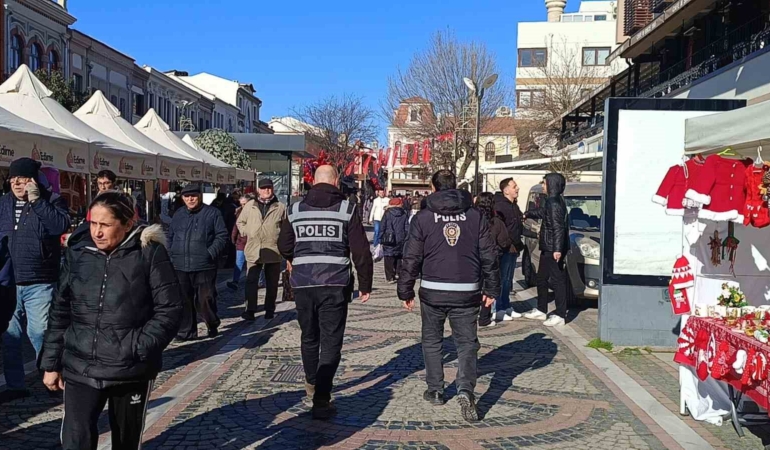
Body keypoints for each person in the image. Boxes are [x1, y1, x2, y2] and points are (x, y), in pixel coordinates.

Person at [39, 191, 182, 450]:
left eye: (105, 225)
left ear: (127, 224)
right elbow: (61, 309)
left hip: (129, 370)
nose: (97, 231)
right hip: (80, 367)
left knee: (126, 443)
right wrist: (51, 363)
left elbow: (170, 309)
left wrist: (137, 346)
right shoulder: (78, 251)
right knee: (75, 442)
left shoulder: (149, 253)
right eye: (93, 223)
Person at [398, 169, 500, 422]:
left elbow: (411, 256)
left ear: (434, 189)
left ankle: (435, 390)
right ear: (455, 187)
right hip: (467, 290)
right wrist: (492, 288)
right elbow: (489, 254)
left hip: (433, 289)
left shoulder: (422, 218)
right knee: (466, 343)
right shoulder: (475, 216)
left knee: (432, 341)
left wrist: (405, 289)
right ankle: (465, 388)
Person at [278, 165, 373, 420]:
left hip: (303, 284)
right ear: (336, 182)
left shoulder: (295, 209)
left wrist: (293, 258)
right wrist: (365, 284)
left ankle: (311, 382)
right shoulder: (346, 209)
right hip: (335, 283)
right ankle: (322, 396)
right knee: (331, 340)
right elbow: (361, 252)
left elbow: (284, 244)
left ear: (314, 182)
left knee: (309, 337)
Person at [0, 158, 70, 402]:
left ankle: (51, 377)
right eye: (14, 179)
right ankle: (15, 385)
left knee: (40, 332)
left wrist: (37, 201)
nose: (18, 183)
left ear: (35, 181)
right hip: (9, 282)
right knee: (10, 338)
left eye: (24, 179)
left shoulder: (51, 201)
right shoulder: (3, 204)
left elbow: (59, 225)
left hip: (40, 280)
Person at [167, 184, 228, 339]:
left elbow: (222, 236)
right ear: (182, 198)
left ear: (199, 196)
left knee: (205, 299)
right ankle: (186, 332)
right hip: (180, 264)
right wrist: (171, 252)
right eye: (187, 196)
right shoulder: (178, 214)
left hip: (204, 265)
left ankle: (212, 323)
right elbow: (170, 235)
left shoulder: (212, 213)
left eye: (193, 196)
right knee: (184, 300)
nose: (190, 199)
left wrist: (210, 253)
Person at [523, 173, 570, 327]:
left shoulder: (555, 203)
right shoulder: (551, 201)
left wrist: (557, 249)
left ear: (552, 184)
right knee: (541, 279)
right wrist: (528, 213)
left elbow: (558, 227)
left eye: (544, 183)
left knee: (557, 281)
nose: (543, 186)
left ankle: (560, 314)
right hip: (547, 246)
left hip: (552, 248)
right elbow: (543, 213)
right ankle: (541, 309)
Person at [237, 179, 287, 321]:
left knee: (272, 283)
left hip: (273, 249)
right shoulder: (250, 206)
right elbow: (240, 222)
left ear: (273, 189)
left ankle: (269, 309)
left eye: (269, 188)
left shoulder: (280, 207)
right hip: (253, 249)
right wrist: (247, 231)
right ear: (259, 190)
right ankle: (250, 310)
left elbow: (286, 228)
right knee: (251, 281)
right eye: (264, 188)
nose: (266, 191)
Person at [493, 178, 530, 321]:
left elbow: (519, 225)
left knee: (508, 279)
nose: (518, 188)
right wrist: (506, 242)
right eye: (514, 186)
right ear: (506, 190)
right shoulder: (500, 206)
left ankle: (506, 305)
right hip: (504, 247)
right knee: (501, 279)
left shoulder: (513, 205)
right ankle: (499, 308)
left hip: (514, 247)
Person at [475, 193, 512, 327]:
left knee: (474, 286)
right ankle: (484, 317)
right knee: (488, 287)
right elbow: (504, 241)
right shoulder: (496, 222)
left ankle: (473, 313)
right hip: (492, 258)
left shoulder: (471, 220)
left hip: (473, 259)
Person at [380, 198, 410, 283]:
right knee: (399, 256)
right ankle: (398, 273)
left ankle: (390, 276)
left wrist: (380, 237)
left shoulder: (387, 213)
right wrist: (406, 237)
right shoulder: (404, 213)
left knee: (388, 257)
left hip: (388, 237)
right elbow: (407, 226)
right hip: (401, 238)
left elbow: (382, 226)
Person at [228, 193, 253, 291]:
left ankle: (258, 281)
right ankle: (235, 281)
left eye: (245, 203)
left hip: (252, 241)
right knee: (239, 262)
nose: (243, 206)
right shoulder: (238, 212)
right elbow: (236, 226)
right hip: (241, 241)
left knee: (254, 262)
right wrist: (233, 238)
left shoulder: (255, 212)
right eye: (241, 204)